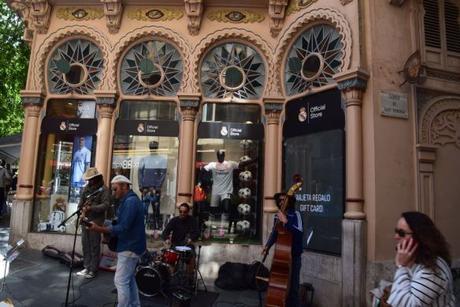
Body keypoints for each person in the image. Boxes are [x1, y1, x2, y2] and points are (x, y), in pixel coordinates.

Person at [88, 175, 146, 307]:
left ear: (124, 187)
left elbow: (123, 227)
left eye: (115, 189)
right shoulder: (128, 201)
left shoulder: (131, 202)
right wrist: (107, 223)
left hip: (130, 246)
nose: (113, 193)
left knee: (120, 281)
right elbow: (122, 222)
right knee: (129, 279)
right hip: (131, 245)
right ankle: (135, 304)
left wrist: (100, 229)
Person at [387, 211, 455, 306]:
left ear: (419, 237)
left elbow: (406, 304)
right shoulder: (414, 261)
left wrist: (401, 267)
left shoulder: (433, 269)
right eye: (396, 231)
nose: (396, 237)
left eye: (401, 233)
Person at [262, 193, 303, 307]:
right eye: (279, 200)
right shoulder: (277, 215)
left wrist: (286, 222)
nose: (281, 202)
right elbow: (275, 233)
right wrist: (267, 246)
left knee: (294, 288)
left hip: (294, 257)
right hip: (281, 257)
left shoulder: (296, 214)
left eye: (284, 200)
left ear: (290, 202)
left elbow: (299, 233)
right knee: (276, 285)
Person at [76, 167, 110, 279]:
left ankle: (93, 270)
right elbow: (80, 202)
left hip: (96, 220)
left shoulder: (104, 189)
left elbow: (105, 205)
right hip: (85, 219)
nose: (89, 181)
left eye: (91, 179)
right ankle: (86, 266)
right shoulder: (86, 189)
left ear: (96, 178)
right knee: (85, 244)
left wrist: (92, 208)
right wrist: (81, 209)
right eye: (88, 179)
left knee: (94, 245)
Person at [138, 140, 167, 230]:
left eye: (154, 148)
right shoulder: (144, 159)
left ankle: (156, 228)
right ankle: (142, 227)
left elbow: (163, 173)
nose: (152, 149)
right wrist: (141, 186)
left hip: (154, 189)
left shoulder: (161, 160)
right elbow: (140, 173)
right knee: (144, 209)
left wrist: (158, 186)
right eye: (151, 148)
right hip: (146, 189)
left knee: (156, 210)